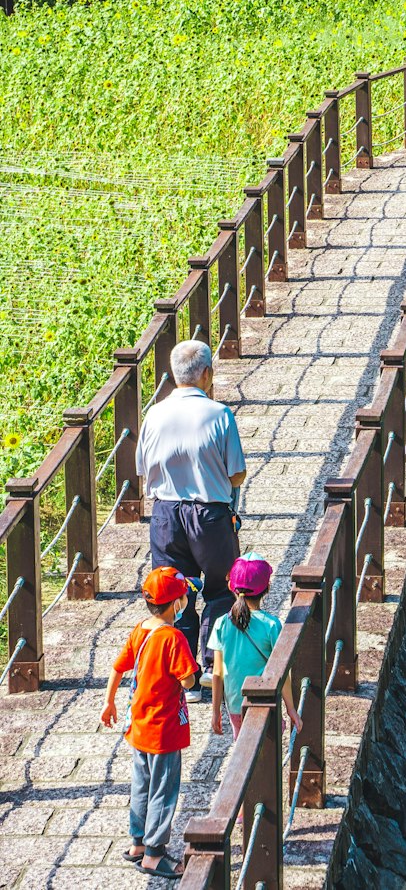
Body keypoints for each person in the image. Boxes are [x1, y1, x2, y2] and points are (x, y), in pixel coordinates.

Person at [136, 339, 246, 688]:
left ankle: (185, 675)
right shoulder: (219, 414)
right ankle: (214, 667)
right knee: (219, 590)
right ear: (207, 374)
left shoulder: (153, 415)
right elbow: (237, 473)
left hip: (166, 515)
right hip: (210, 516)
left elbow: (142, 467)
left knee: (174, 594)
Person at [100, 566, 198, 880]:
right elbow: (188, 681)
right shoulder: (174, 637)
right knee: (163, 791)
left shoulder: (140, 629)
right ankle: (155, 855)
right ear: (175, 603)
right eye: (183, 596)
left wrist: (108, 701)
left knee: (141, 786)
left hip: (139, 725)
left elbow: (118, 667)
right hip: (165, 729)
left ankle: (138, 844)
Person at [209, 554, 302, 740]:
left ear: (231, 586)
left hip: (235, 705)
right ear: (267, 588)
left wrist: (215, 712)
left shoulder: (221, 623)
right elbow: (281, 673)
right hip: (265, 703)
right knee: (267, 749)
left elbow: (217, 673)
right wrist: (291, 708)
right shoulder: (271, 625)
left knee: (243, 747)